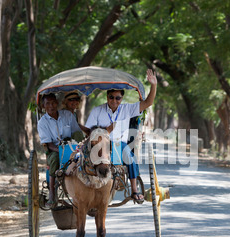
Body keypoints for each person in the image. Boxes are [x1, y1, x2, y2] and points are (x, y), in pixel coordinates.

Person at [85, 69, 158, 203]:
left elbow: (148, 103)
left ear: (121, 98)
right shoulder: (97, 111)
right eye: (111, 97)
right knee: (81, 158)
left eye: (118, 98)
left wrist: (153, 85)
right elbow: (89, 132)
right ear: (107, 97)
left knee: (129, 157)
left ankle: (135, 190)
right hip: (100, 144)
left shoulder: (127, 109)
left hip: (119, 145)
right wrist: (103, 134)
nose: (114, 100)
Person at [38, 93, 82, 207]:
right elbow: (49, 144)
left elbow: (77, 133)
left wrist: (76, 148)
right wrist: (62, 151)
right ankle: (52, 194)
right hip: (55, 149)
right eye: (48, 104)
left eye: (53, 103)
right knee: (53, 160)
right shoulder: (42, 122)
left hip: (73, 146)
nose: (51, 106)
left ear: (57, 103)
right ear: (43, 106)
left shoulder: (67, 115)